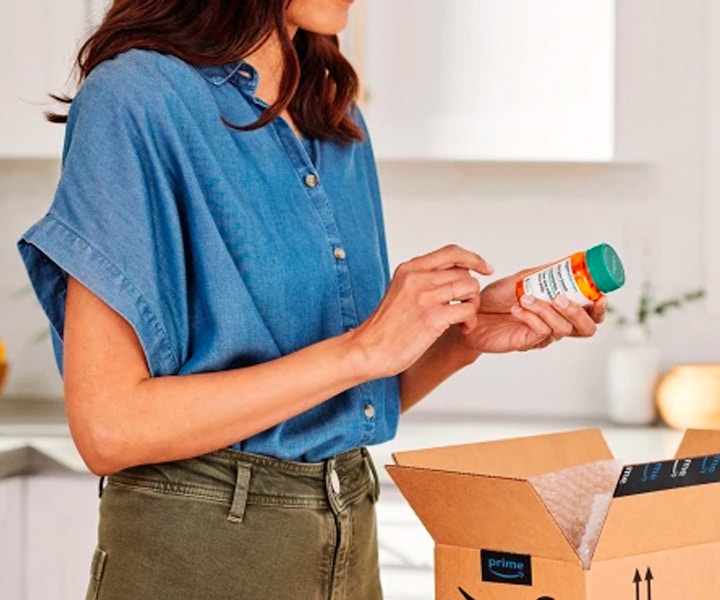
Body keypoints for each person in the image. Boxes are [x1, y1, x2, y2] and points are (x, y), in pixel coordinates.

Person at [18, 1, 608, 599]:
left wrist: (463, 334)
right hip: (201, 555)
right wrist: (364, 348)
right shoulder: (135, 99)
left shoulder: (332, 111)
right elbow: (108, 429)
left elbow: (343, 399)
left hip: (351, 534)